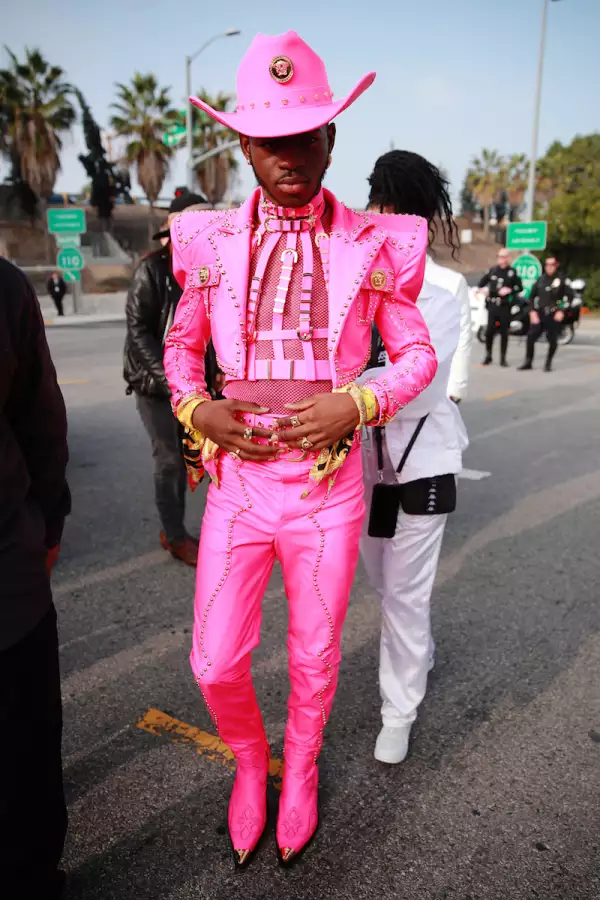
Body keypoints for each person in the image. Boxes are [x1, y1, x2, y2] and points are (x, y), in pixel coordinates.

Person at [163, 30, 437, 867]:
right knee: (213, 661)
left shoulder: (374, 242)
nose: (287, 153)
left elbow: (420, 354)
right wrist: (195, 406)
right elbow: (179, 348)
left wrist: (355, 401)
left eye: (304, 135)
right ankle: (252, 763)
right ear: (244, 143)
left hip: (328, 490)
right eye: (269, 138)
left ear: (331, 138)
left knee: (315, 654)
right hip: (240, 486)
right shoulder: (206, 240)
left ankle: (303, 767)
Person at [360, 150, 468, 764]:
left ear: (421, 221)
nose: (384, 218)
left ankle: (398, 711)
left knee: (405, 595)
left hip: (420, 462)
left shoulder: (446, 290)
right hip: (361, 469)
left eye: (399, 210)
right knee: (383, 587)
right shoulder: (353, 278)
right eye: (379, 205)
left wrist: (344, 390)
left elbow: (417, 385)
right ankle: (417, 651)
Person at [0, 257, 71, 898]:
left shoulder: (5, 286)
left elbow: (40, 423)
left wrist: (45, 530)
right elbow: (42, 424)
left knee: (26, 750)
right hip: (12, 575)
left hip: (9, 579)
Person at [124, 191, 221, 566]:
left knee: (216, 455)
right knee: (170, 460)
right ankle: (175, 536)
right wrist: (171, 382)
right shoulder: (151, 270)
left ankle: (228, 531)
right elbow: (138, 332)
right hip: (157, 385)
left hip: (199, 384)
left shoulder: (211, 267)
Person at [518, 255, 573, 372]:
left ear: (556, 265)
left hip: (554, 314)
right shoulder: (540, 280)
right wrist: (532, 311)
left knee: (552, 339)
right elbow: (531, 298)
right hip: (540, 313)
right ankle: (528, 361)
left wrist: (562, 311)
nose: (549, 267)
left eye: (552, 265)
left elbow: (569, 297)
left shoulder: (561, 280)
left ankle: (548, 363)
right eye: (547, 264)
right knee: (531, 337)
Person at [478, 249, 523, 367]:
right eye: (500, 257)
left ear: (508, 258)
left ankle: (503, 358)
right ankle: (488, 355)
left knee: (504, 333)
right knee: (489, 332)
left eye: (504, 257)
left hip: (504, 306)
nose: (502, 259)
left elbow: (520, 287)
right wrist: (484, 290)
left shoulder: (512, 273)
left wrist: (510, 290)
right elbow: (481, 284)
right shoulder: (492, 271)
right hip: (493, 305)